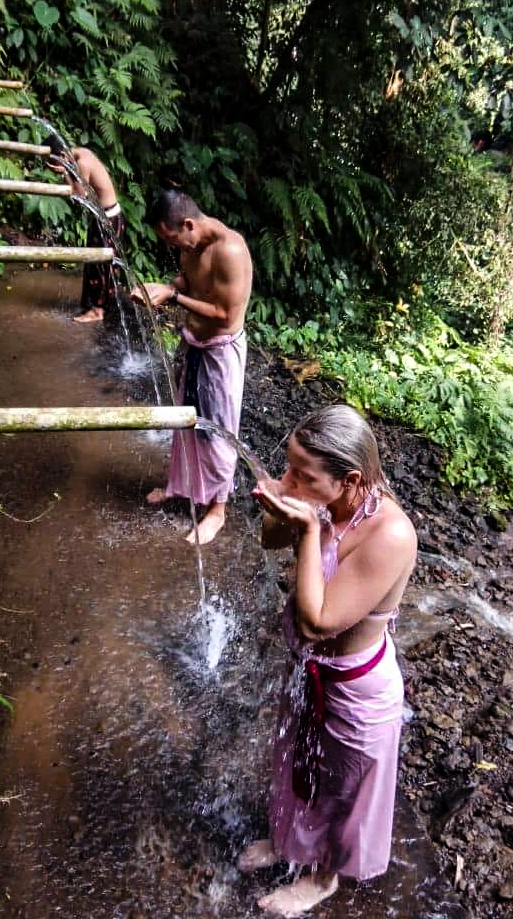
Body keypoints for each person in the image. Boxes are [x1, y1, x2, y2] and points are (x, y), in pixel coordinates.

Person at [240, 404, 417, 917]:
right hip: (306, 668)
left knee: (342, 789)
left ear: (351, 479)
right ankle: (287, 841)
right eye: (289, 467)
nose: (291, 479)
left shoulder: (391, 534)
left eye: (303, 475)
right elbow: (272, 540)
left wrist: (312, 530)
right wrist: (282, 505)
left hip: (355, 687)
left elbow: (319, 621)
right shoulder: (323, 499)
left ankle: (322, 879)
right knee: (295, 759)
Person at [132, 189, 252, 545]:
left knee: (217, 431)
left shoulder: (229, 251)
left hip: (220, 352)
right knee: (185, 420)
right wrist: (167, 287)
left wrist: (173, 298)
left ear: (188, 224)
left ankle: (218, 510)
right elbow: (189, 281)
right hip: (193, 343)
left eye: (172, 239)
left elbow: (225, 314)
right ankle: (182, 486)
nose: (173, 247)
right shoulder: (191, 245)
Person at [45, 135, 125, 323]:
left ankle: (97, 311)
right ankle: (100, 306)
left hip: (108, 219)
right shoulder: (81, 152)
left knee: (99, 266)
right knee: (98, 264)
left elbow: (80, 196)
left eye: (53, 162)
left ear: (62, 154)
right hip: (107, 216)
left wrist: (65, 170)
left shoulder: (81, 163)